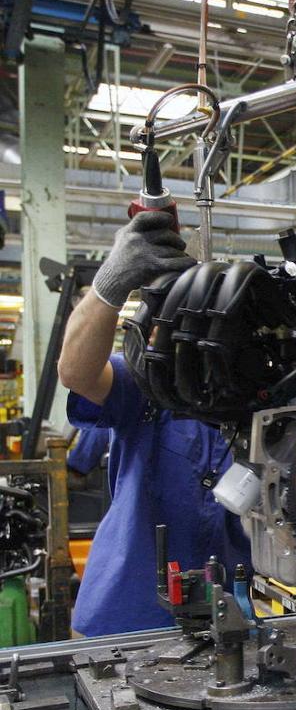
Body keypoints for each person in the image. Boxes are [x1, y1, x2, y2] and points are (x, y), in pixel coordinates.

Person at [57, 210, 251, 637]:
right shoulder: (146, 381)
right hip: (126, 614)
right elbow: (76, 372)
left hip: (227, 616)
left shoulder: (258, 399)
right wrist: (109, 286)